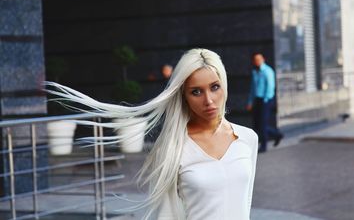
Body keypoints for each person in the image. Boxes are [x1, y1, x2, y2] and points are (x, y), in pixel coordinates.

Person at [45, 48, 258, 220]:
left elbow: (244, 204)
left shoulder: (248, 139)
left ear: (224, 86)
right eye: (196, 91)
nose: (208, 100)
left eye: (214, 87)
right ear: (183, 96)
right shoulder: (172, 148)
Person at [246, 52, 283, 153]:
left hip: (266, 100)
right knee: (257, 125)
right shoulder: (255, 72)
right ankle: (276, 134)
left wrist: (265, 100)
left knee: (262, 124)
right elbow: (252, 89)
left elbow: (270, 87)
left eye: (259, 59)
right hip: (257, 100)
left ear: (263, 59)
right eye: (255, 59)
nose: (257, 61)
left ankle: (264, 146)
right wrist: (250, 102)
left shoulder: (268, 71)